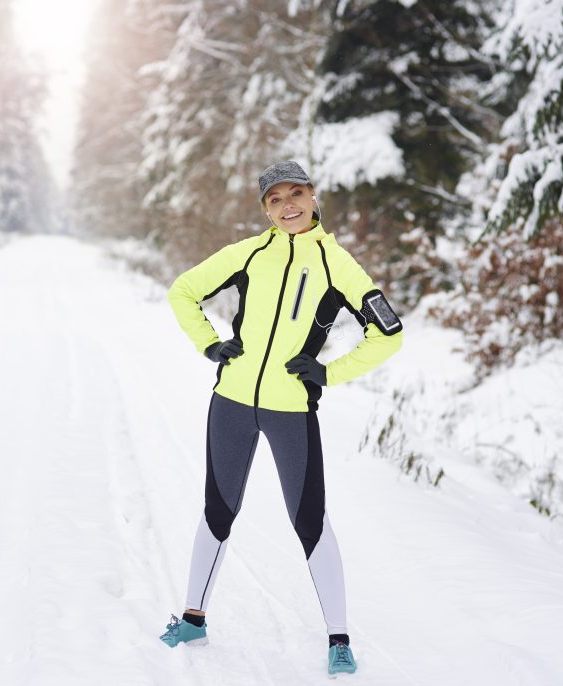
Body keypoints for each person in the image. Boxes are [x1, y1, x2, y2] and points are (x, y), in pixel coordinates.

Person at [159, 160, 404, 676]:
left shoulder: (338, 264)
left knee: (309, 520)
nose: (288, 205)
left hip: (291, 409)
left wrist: (328, 373)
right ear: (265, 209)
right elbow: (182, 290)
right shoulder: (248, 254)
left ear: (314, 196)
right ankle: (192, 619)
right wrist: (209, 344)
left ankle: (339, 638)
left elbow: (390, 332)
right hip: (230, 401)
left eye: (297, 193)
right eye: (275, 199)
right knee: (218, 509)